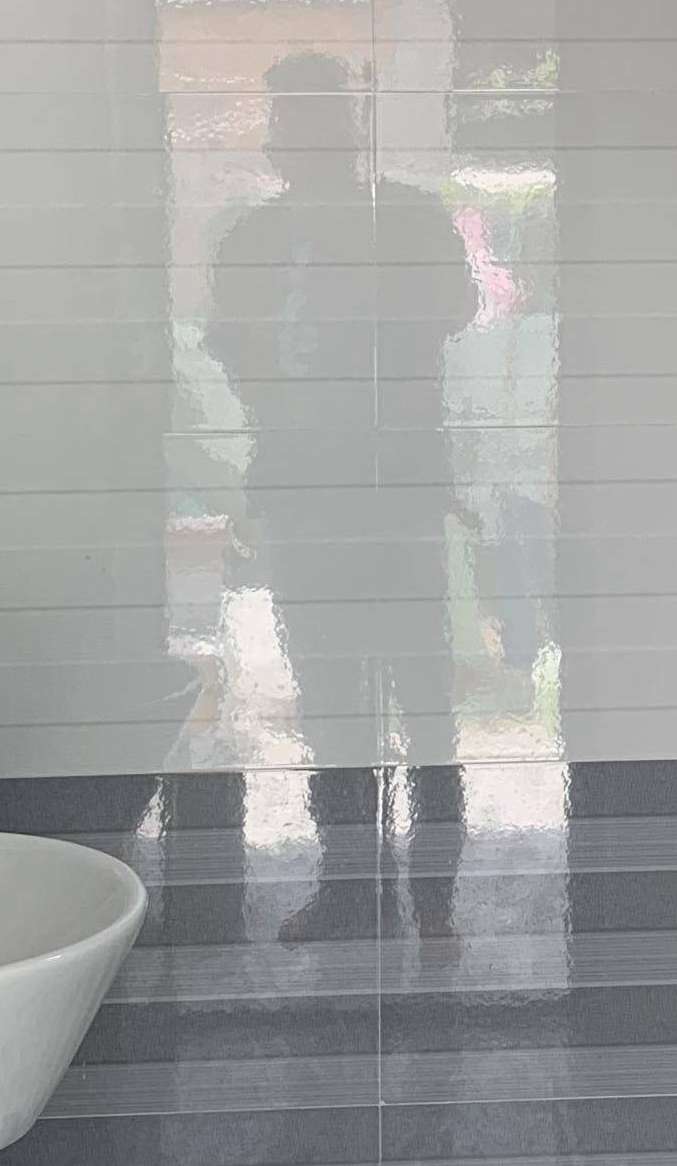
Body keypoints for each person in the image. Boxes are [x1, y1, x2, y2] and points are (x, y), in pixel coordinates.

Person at [203, 50, 477, 787]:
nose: (311, 144)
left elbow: (454, 308)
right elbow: (231, 345)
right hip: (306, 484)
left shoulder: (408, 218)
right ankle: (349, 834)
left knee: (417, 680)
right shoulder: (254, 237)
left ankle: (433, 828)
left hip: (395, 480)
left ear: (352, 137)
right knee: (329, 681)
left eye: (324, 122)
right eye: (297, 123)